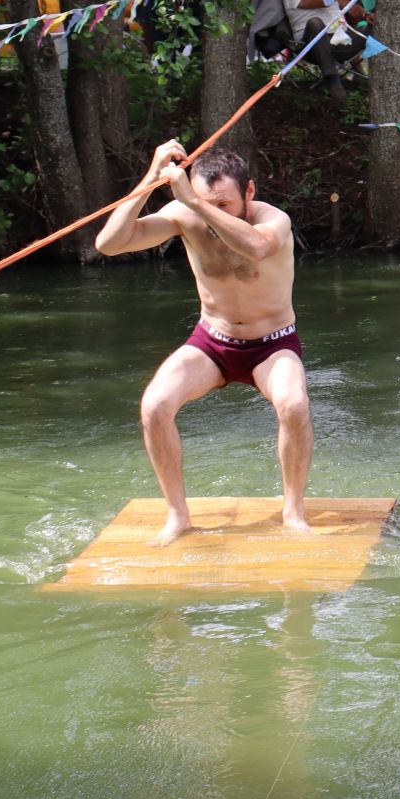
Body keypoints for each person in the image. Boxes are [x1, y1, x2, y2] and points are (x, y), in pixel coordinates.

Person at [95, 144, 309, 547]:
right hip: (213, 341)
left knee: (294, 404)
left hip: (272, 344)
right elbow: (109, 243)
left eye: (225, 204)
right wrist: (152, 177)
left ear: (250, 192)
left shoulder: (272, 219)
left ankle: (293, 511)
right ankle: (178, 516)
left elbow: (257, 248)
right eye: (203, 203)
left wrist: (193, 200)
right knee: (155, 406)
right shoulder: (185, 215)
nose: (213, 215)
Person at [279, 0, 355, 103]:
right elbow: (326, 0)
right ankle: (333, 80)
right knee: (315, 23)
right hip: (311, 46)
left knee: (374, 29)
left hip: (341, 41)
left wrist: (366, 15)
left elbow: (351, 9)